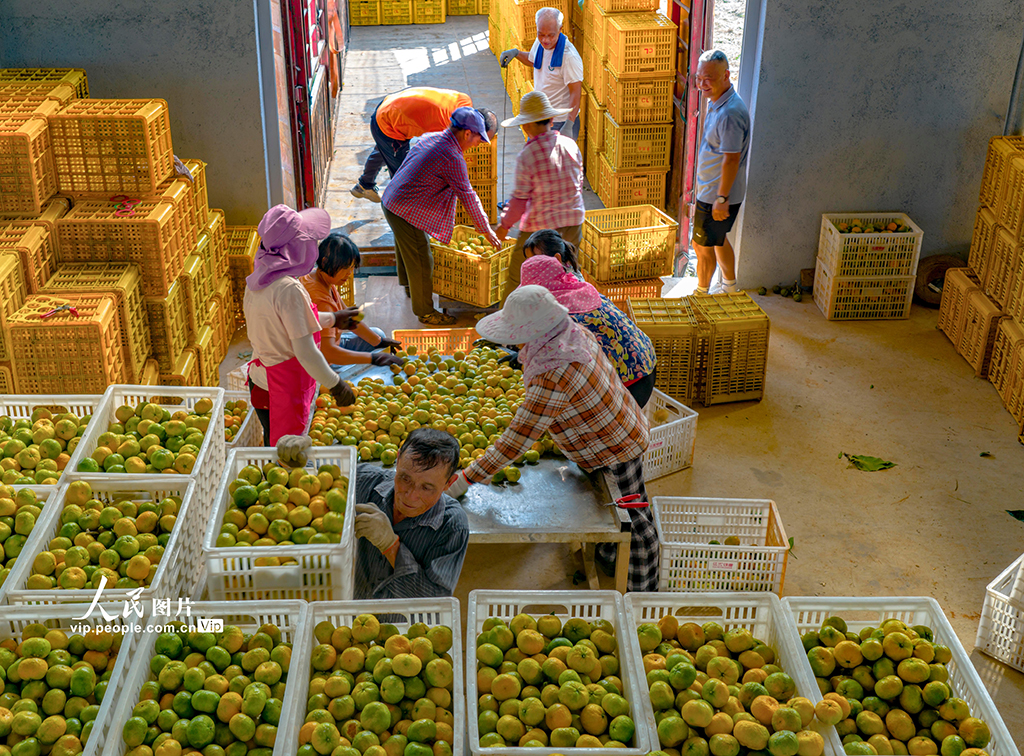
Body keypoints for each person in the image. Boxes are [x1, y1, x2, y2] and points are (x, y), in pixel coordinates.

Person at [445, 285, 658, 591]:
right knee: (617, 509)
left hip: (615, 445)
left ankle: (644, 594)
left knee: (636, 522)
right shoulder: (569, 334)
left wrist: (467, 478)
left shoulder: (553, 373)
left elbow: (517, 439)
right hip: (602, 432)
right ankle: (609, 555)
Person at [276, 428, 470, 599]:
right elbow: (304, 478)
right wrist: (294, 456)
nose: (411, 495)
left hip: (400, 631)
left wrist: (391, 547)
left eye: (427, 488)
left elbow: (434, 599)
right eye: (405, 478)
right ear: (398, 458)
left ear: (448, 484)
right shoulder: (362, 480)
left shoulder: (452, 524)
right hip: (343, 614)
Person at [243, 205, 358, 446]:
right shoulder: (289, 289)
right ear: (295, 249)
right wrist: (336, 385)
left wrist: (334, 319)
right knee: (286, 455)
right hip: (282, 387)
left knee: (273, 442)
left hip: (261, 378)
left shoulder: (259, 277)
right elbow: (305, 352)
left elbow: (291, 324)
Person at [381, 107, 502, 326]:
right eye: (478, 140)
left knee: (406, 247)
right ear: (467, 134)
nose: (478, 145)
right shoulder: (452, 156)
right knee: (421, 258)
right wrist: (485, 229)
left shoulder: (433, 138)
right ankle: (425, 311)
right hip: (404, 208)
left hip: (393, 200)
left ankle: (411, 287)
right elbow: (468, 196)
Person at [520, 249, 658, 408]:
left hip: (630, 382)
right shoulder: (580, 289)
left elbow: (560, 377)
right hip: (646, 361)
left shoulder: (563, 321)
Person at [496, 91, 585, 303]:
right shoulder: (571, 145)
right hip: (573, 224)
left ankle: (507, 325)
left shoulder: (528, 154)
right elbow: (578, 182)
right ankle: (567, 316)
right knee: (567, 274)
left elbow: (519, 201)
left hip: (539, 231)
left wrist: (504, 226)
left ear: (526, 125)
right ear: (552, 119)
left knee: (519, 276)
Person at [350, 87, 494, 203]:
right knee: (402, 176)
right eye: (480, 140)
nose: (477, 145)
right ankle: (399, 216)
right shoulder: (447, 128)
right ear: (471, 131)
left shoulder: (464, 102)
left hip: (390, 106)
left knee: (384, 150)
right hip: (389, 121)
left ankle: (365, 184)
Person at [300, 232, 405, 379]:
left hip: (332, 341)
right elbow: (328, 352)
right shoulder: (321, 301)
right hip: (319, 357)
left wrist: (379, 341)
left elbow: (351, 321)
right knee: (354, 374)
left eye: (351, 267)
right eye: (345, 268)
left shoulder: (321, 278)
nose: (349, 273)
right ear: (324, 262)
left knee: (378, 336)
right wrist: (372, 359)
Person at [691, 49, 751, 293]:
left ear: (726, 75)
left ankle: (701, 296)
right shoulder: (718, 102)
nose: (702, 84)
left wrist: (721, 198)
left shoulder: (729, 113)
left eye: (709, 78)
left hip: (717, 194)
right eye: (698, 78)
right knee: (717, 239)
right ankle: (730, 287)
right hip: (711, 190)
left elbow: (731, 160)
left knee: (702, 246)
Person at [500, 7, 583, 138]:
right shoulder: (540, 44)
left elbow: (575, 92)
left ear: (560, 29)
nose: (545, 40)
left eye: (551, 35)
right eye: (541, 34)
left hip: (559, 121)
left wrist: (569, 124)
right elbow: (533, 60)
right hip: (542, 117)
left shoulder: (569, 57)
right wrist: (516, 53)